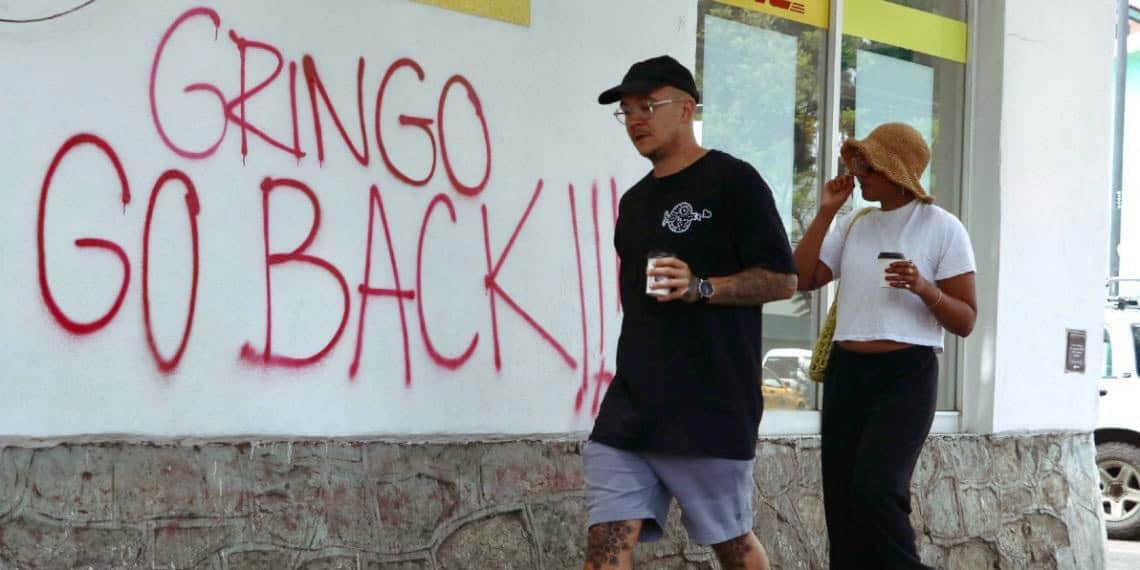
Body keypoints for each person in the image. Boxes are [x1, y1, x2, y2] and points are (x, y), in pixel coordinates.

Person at [583, 55, 798, 570]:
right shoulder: (633, 203)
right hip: (631, 405)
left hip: (710, 403)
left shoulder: (734, 182)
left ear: (686, 109)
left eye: (648, 106)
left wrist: (701, 287)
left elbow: (782, 278)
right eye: (627, 111)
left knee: (732, 545)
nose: (635, 119)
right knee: (605, 547)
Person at [793, 122, 978, 569]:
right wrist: (824, 213)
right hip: (847, 374)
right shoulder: (857, 224)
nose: (856, 173)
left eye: (866, 165)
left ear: (895, 171)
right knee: (842, 501)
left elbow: (966, 320)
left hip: (905, 377)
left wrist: (923, 287)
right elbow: (803, 278)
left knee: (877, 490)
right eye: (855, 163)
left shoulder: (942, 228)